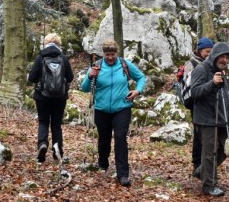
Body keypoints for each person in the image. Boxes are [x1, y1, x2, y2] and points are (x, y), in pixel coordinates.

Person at [80, 39, 146, 187]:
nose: (110, 57)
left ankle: (123, 174)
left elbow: (141, 77)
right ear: (103, 54)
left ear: (117, 53)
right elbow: (84, 88)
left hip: (122, 107)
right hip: (101, 109)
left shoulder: (124, 64)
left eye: (113, 54)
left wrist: (137, 90)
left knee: (120, 138)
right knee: (104, 138)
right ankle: (103, 163)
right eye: (107, 54)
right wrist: (90, 75)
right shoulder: (97, 66)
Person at [188, 41, 229, 196]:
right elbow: (195, 92)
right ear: (215, 55)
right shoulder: (201, 69)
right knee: (209, 152)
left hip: (222, 119)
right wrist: (212, 83)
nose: (225, 61)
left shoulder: (221, 72)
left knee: (228, 148)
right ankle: (209, 185)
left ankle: (202, 171)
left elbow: (224, 97)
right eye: (222, 57)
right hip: (206, 119)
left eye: (227, 58)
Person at [27, 33, 74, 162]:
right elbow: (70, 78)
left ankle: (42, 144)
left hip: (42, 96)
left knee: (43, 121)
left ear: (45, 43)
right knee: (56, 124)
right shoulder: (63, 58)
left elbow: (31, 78)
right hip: (60, 97)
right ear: (58, 44)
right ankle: (57, 151)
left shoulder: (40, 57)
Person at [181, 36, 213, 179]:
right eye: (206, 51)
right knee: (199, 135)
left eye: (211, 51)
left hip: (207, 103)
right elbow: (191, 85)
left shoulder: (212, 64)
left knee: (204, 135)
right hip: (196, 103)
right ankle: (197, 164)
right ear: (200, 50)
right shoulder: (192, 63)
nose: (209, 54)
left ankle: (202, 166)